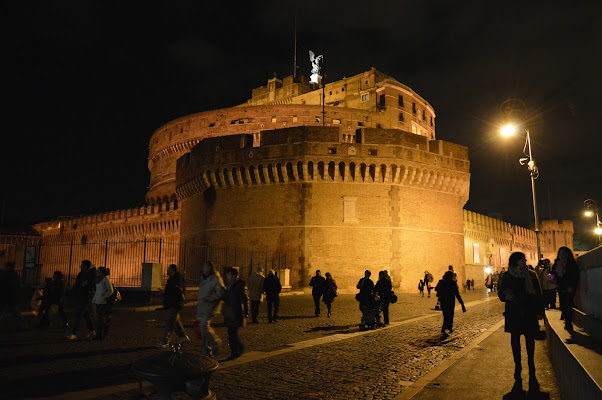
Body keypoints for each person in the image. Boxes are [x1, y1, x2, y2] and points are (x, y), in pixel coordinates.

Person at [498, 252, 544, 394]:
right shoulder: (507, 276)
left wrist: (539, 311)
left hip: (529, 312)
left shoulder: (531, 275)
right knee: (515, 342)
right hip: (514, 313)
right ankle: (518, 367)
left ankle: (531, 365)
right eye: (522, 259)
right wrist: (506, 296)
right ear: (516, 261)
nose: (525, 261)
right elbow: (501, 293)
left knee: (530, 340)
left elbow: (538, 294)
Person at [196, 261, 226, 356]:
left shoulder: (216, 279)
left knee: (204, 327)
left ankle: (216, 342)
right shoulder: (204, 278)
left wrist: (209, 298)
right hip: (203, 306)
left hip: (210, 306)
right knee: (203, 329)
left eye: (205, 267)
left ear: (209, 268)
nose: (203, 269)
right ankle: (206, 350)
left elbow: (220, 293)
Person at [157, 264, 189, 348]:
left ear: (172, 270)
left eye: (168, 269)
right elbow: (172, 290)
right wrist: (165, 291)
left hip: (174, 304)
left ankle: (165, 341)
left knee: (169, 323)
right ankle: (183, 337)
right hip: (171, 304)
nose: (167, 270)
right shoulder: (172, 279)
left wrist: (165, 292)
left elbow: (176, 291)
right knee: (175, 322)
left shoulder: (177, 279)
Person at [222, 267, 248, 361]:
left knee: (232, 333)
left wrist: (245, 312)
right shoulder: (229, 286)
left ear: (234, 276)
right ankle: (237, 349)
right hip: (229, 312)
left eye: (228, 275)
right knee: (232, 333)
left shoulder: (238, 286)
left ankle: (235, 352)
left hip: (235, 312)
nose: (227, 277)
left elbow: (244, 299)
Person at [552, 246, 579, 333]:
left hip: (569, 287)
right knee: (563, 305)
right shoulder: (556, 264)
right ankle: (567, 321)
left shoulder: (571, 264)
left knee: (569, 305)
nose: (561, 256)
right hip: (560, 286)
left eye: (563, 254)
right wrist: (552, 278)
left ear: (568, 255)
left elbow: (575, 275)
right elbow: (552, 274)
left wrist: (572, 285)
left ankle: (568, 323)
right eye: (560, 254)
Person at [67, 260, 96, 340]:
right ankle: (91, 329)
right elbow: (77, 284)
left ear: (87, 266)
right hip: (80, 296)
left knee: (79, 314)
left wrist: (87, 285)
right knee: (85, 314)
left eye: (82, 265)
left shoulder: (91, 275)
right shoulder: (81, 274)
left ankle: (74, 332)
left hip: (87, 297)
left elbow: (93, 285)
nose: (81, 266)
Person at [435, 271, 466, 335]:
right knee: (450, 315)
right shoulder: (453, 283)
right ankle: (449, 327)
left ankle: (444, 328)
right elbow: (457, 294)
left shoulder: (441, 282)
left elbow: (436, 289)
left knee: (445, 315)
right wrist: (462, 303)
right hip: (450, 301)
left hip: (443, 301)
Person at [91, 267, 114, 340]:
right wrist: (94, 299)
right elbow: (98, 292)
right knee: (99, 319)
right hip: (98, 301)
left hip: (103, 303)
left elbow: (110, 290)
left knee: (101, 319)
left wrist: (104, 297)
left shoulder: (106, 279)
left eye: (98, 271)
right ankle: (99, 335)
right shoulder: (98, 280)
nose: (96, 272)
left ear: (101, 272)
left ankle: (103, 334)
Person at [0, 262, 25, 328]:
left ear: (8, 267)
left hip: (8, 297)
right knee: (15, 311)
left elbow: (4, 286)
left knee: (3, 311)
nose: (4, 267)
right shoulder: (15, 275)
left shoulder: (7, 275)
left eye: (6, 266)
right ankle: (22, 324)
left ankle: (22, 324)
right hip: (12, 297)